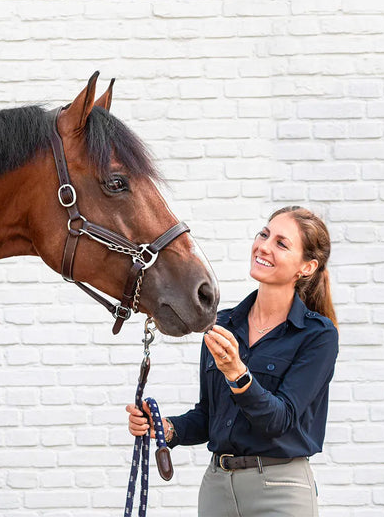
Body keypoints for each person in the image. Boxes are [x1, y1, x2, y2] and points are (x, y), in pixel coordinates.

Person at [126, 206, 339, 517]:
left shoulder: (317, 336)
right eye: (264, 234)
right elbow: (209, 415)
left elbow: (280, 420)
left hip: (281, 491)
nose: (264, 246)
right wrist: (166, 429)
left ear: (306, 267)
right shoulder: (222, 324)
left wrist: (238, 374)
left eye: (281, 243)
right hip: (217, 489)